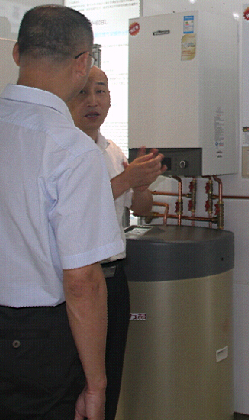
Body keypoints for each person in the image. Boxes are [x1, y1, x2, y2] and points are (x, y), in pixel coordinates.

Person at [0, 5, 125, 420]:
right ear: (82, 62)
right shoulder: (70, 149)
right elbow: (82, 282)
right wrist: (96, 384)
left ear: (17, 53)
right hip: (32, 341)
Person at [68, 65, 166, 420]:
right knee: (73, 379)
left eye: (101, 91)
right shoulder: (62, 150)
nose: (93, 101)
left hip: (113, 279)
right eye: (83, 92)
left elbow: (142, 209)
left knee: (109, 373)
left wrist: (140, 186)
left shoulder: (111, 150)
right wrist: (127, 179)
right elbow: (76, 207)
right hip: (73, 281)